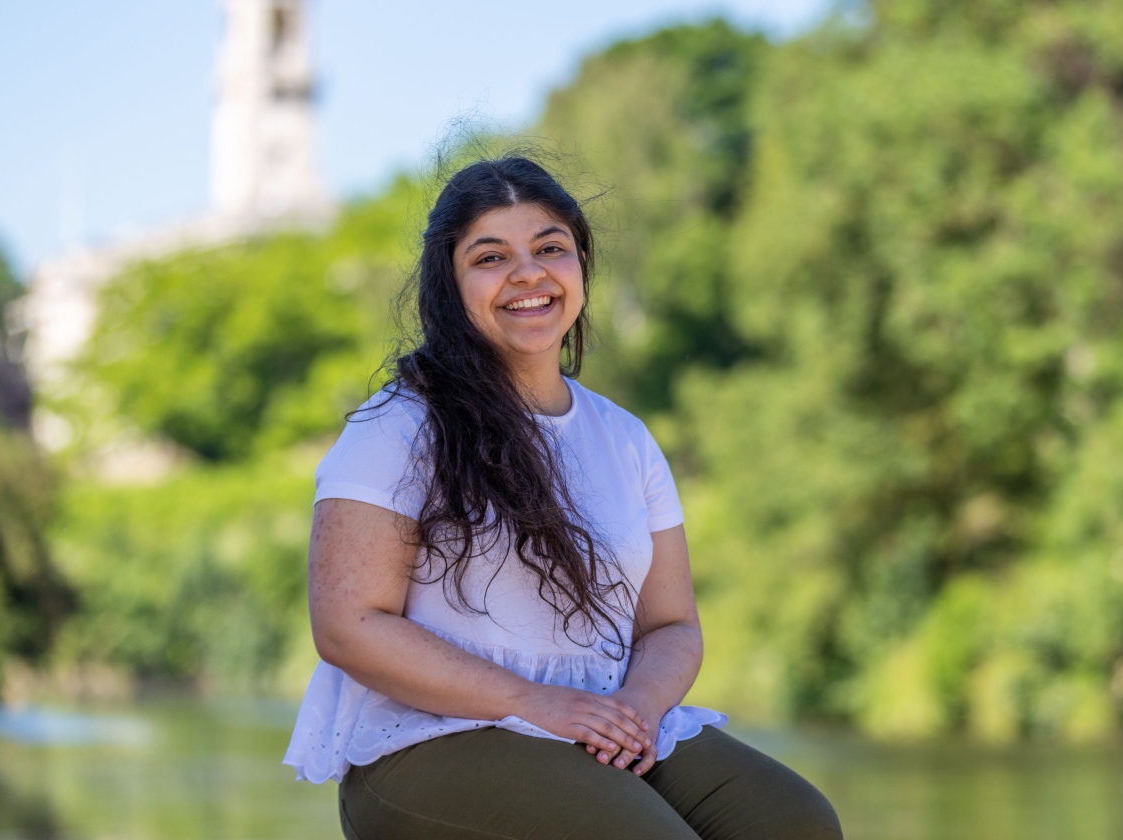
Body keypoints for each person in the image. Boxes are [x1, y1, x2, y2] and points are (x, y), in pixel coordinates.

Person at [282, 155, 842, 840]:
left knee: (796, 822)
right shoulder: (397, 427)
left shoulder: (625, 438)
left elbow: (670, 624)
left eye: (550, 248)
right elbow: (348, 626)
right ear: (449, 284)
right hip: (435, 735)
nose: (528, 273)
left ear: (580, 266)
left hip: (596, 719)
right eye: (491, 257)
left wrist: (638, 708)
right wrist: (533, 702)